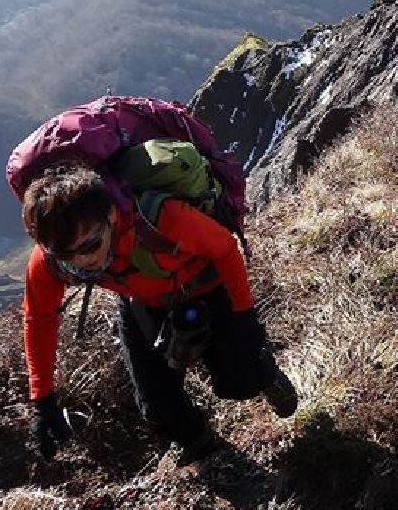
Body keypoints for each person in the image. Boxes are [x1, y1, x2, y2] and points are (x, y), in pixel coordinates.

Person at [21, 165, 297, 462]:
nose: (81, 262)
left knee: (240, 382)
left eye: (90, 245)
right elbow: (39, 318)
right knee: (157, 408)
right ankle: (201, 444)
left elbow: (225, 248)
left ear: (111, 216)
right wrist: (42, 400)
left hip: (207, 284)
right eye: (66, 255)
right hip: (140, 301)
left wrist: (245, 318)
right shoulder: (49, 259)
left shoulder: (162, 218)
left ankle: (264, 374)